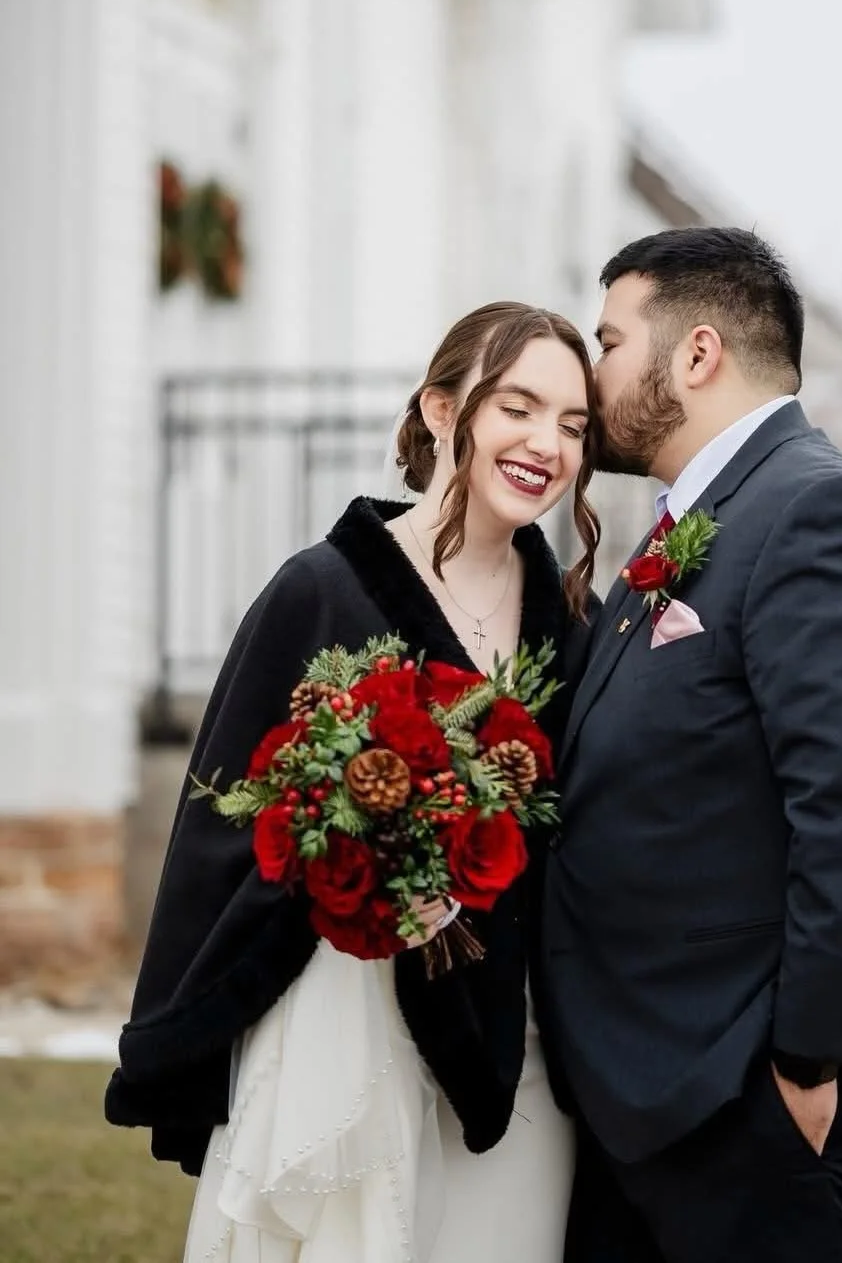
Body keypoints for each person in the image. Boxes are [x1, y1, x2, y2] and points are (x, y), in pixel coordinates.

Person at [106, 301, 600, 1263]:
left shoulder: (572, 627)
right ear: (444, 409)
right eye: (519, 407)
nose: (547, 444)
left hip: (515, 1028)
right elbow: (221, 818)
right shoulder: (320, 590)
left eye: (574, 425)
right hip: (344, 1026)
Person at [542, 227, 842, 1263]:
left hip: (770, 1082)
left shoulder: (816, 513)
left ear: (694, 353)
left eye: (609, 339)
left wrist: (808, 1056)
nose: (589, 365)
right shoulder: (696, 522)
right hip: (672, 1074)